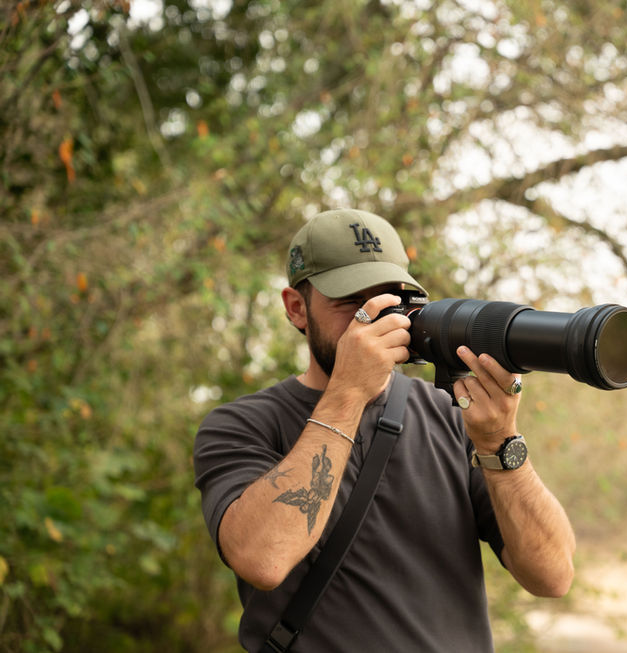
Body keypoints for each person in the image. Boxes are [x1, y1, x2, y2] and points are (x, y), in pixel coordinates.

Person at [194, 208, 576, 652]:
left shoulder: (451, 416)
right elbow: (264, 559)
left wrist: (501, 443)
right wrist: (347, 394)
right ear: (297, 309)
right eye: (351, 302)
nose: (374, 320)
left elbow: (552, 576)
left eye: (390, 301)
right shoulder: (241, 426)